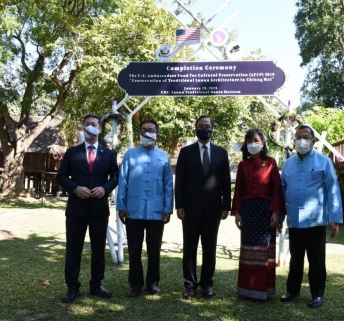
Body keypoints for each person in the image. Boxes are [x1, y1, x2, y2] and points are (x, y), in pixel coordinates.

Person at [57, 113, 119, 303]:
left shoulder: (109, 154)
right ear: (83, 128)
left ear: (100, 129)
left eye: (93, 124)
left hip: (99, 209)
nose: (90, 127)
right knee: (73, 249)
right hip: (76, 209)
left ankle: (96, 284)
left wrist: (105, 189)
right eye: (86, 124)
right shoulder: (72, 153)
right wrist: (75, 188)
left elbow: (116, 177)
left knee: (99, 249)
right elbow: (61, 176)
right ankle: (72, 287)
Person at [280, 125, 343, 308]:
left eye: (305, 137)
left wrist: (334, 219)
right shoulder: (288, 164)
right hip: (294, 220)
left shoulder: (324, 162)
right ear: (294, 141)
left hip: (315, 220)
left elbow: (333, 190)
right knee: (295, 259)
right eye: (298, 137)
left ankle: (317, 294)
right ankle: (292, 290)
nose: (302, 140)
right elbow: (282, 191)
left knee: (316, 260)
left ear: (312, 141)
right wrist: (280, 216)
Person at [175, 115, 232, 299]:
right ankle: (190, 285)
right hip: (190, 209)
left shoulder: (221, 153)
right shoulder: (185, 152)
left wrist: (226, 206)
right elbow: (180, 181)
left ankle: (207, 284)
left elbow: (225, 182)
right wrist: (180, 205)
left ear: (212, 129)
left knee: (210, 249)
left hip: (213, 210)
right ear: (195, 129)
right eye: (200, 125)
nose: (204, 128)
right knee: (189, 249)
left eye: (207, 126)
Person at [116, 119, 173, 298]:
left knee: (154, 249)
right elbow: (122, 181)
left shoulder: (163, 157)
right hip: (134, 210)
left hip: (156, 212)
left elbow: (168, 185)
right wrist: (121, 206)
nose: (147, 133)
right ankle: (135, 284)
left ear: (157, 134)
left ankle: (152, 283)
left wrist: (168, 208)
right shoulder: (130, 155)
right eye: (143, 130)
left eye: (150, 130)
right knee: (134, 249)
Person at [231, 129, 286, 302]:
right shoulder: (242, 165)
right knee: (248, 251)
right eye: (249, 141)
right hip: (247, 212)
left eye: (255, 140)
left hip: (266, 212)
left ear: (262, 143)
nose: (252, 144)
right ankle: (246, 290)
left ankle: (262, 291)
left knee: (263, 251)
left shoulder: (271, 163)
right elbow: (238, 189)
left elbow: (277, 188)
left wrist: (277, 213)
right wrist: (237, 212)